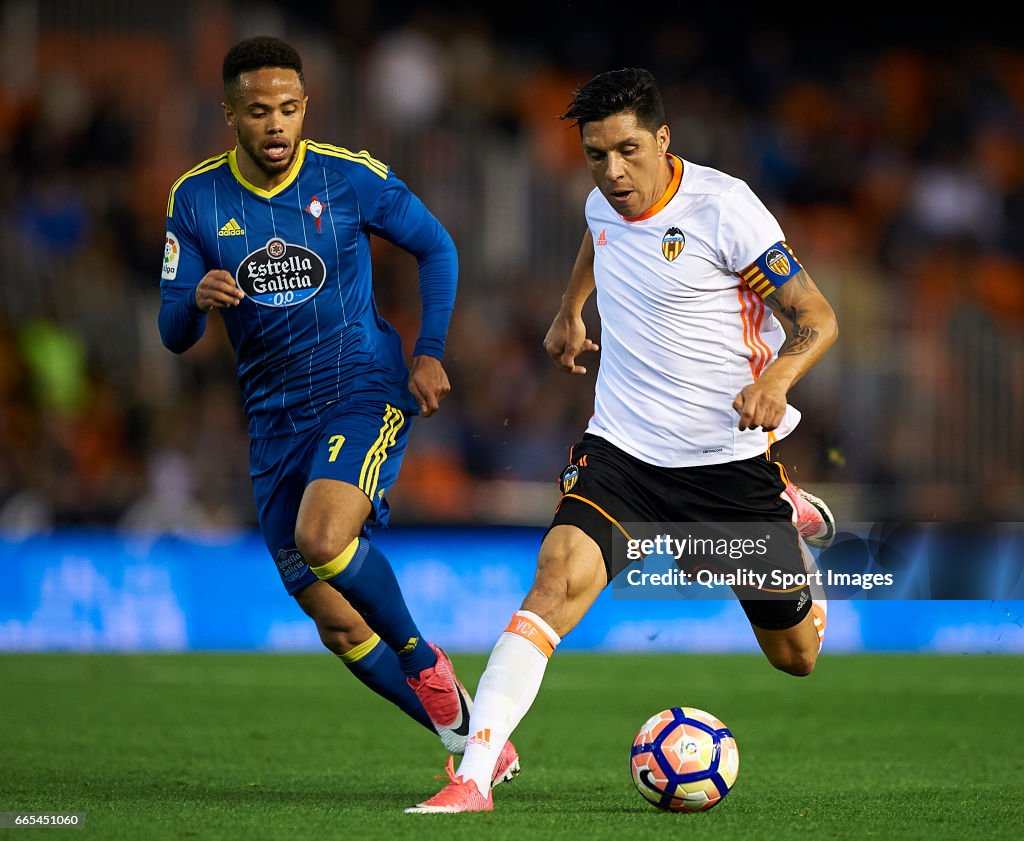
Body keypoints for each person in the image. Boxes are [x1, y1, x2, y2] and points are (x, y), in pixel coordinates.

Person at [408, 67, 839, 813]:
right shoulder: (603, 201)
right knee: (553, 583)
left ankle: (786, 514)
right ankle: (471, 778)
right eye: (597, 155)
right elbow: (597, 236)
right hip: (622, 455)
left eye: (629, 151)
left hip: (725, 464)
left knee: (795, 656)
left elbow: (818, 318)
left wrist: (779, 382)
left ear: (664, 139)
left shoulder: (725, 207)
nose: (613, 172)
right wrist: (571, 309)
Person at [158, 36, 518, 785]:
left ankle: (424, 657)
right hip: (272, 424)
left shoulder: (348, 177)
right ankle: (468, 735)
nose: (276, 125)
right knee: (338, 621)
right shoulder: (195, 198)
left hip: (362, 387)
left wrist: (430, 349)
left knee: (322, 535)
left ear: (305, 109)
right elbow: (171, 330)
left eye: (289, 108)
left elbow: (438, 247)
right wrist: (195, 300)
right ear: (229, 114)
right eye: (258, 111)